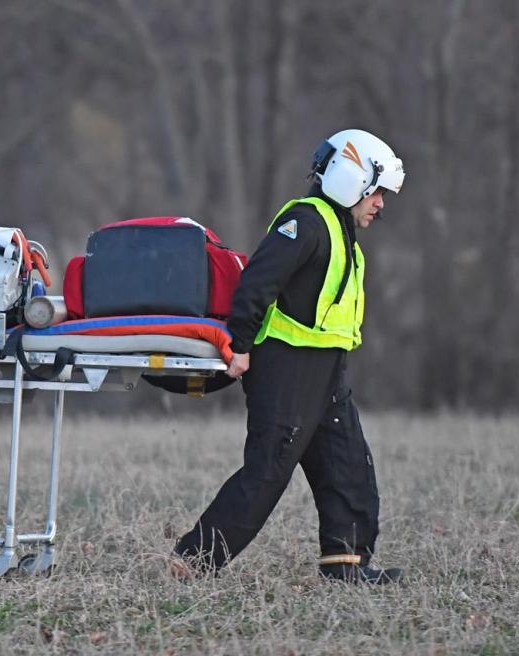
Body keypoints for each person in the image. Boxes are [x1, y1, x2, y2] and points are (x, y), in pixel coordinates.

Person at [170, 129, 406, 584]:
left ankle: (347, 566)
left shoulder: (340, 230)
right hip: (287, 367)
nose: (380, 203)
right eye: (376, 192)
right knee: (268, 470)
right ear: (350, 179)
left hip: (325, 368)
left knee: (347, 463)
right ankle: (194, 560)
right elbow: (259, 281)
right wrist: (238, 344)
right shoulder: (305, 222)